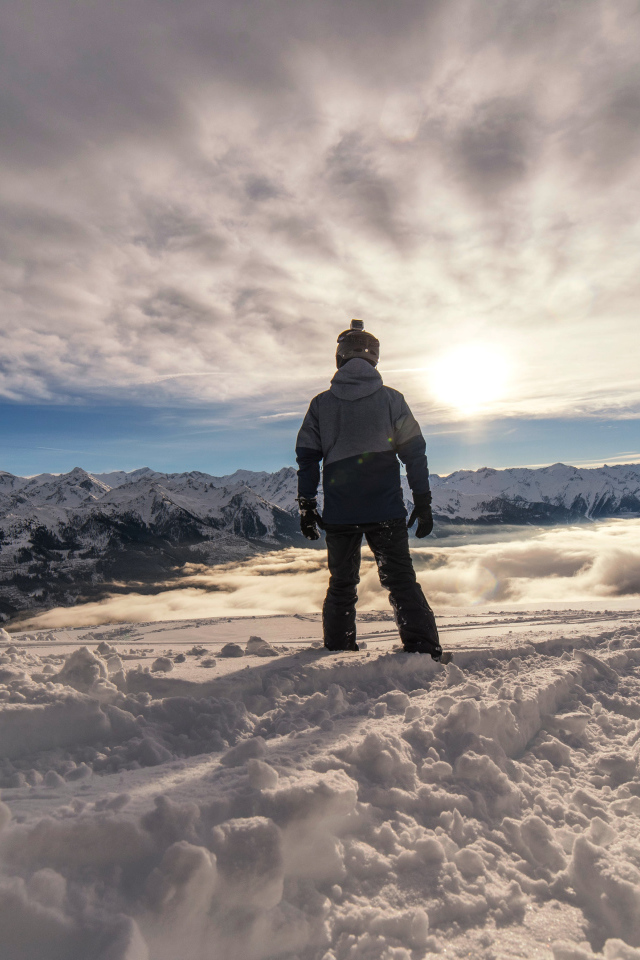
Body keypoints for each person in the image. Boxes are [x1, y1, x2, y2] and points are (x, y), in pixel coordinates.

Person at [295, 319, 448, 660]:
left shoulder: (321, 405)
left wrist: (307, 505)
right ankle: (423, 652)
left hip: (340, 513)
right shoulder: (392, 400)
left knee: (341, 585)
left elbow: (307, 458)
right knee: (401, 581)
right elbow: (414, 454)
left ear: (340, 357)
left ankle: (337, 653)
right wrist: (422, 501)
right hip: (386, 511)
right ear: (374, 358)